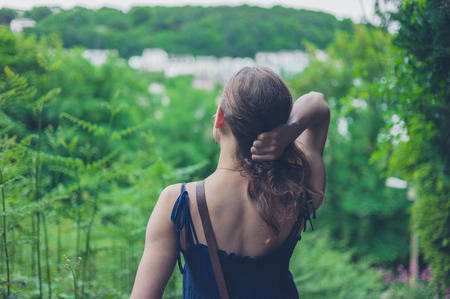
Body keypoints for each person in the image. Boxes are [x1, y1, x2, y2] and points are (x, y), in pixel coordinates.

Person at [130, 66, 330, 298]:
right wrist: (290, 129)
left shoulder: (178, 205)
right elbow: (318, 103)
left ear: (220, 117)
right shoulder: (297, 194)